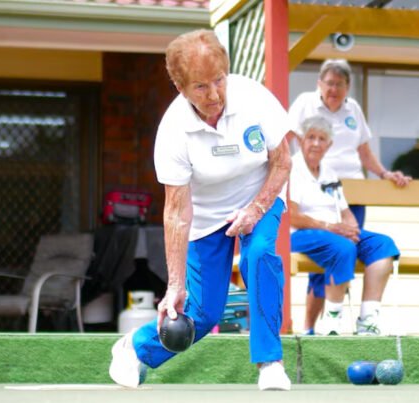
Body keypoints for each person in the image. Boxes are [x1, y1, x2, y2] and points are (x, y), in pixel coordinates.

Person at [108, 29, 293, 391]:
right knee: (204, 312)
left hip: (261, 195)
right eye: (201, 87)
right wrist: (174, 284)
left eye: (219, 81)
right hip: (206, 216)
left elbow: (283, 163)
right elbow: (176, 213)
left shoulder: (255, 99)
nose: (215, 95)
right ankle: (134, 348)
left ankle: (270, 362)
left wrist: (255, 210)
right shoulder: (174, 131)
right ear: (179, 87)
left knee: (259, 255)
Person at [288, 59, 410, 334]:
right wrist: (333, 227)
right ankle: (326, 324)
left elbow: (344, 205)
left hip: (339, 216)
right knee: (341, 250)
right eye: (311, 138)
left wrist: (350, 226)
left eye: (322, 139)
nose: (316, 144)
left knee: (382, 246)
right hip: (307, 229)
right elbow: (291, 215)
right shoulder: (294, 166)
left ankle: (368, 320)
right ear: (301, 139)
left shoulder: (330, 167)